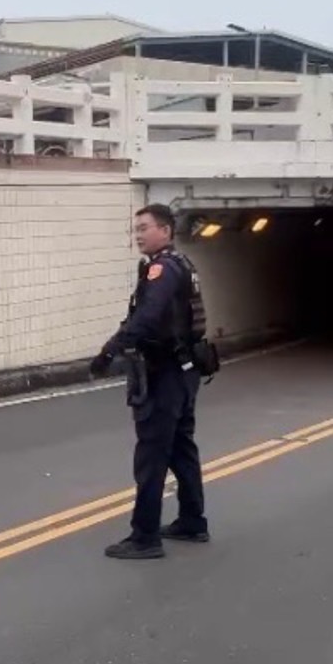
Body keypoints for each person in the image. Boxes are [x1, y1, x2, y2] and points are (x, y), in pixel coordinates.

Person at [90, 205, 213, 560]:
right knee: (180, 448)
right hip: (185, 370)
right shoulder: (182, 265)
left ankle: (145, 537)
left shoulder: (162, 269)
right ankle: (192, 521)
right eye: (136, 228)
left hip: (165, 374)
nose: (138, 234)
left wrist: (109, 351)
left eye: (144, 227)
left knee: (152, 454)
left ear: (165, 230)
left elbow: (145, 317)